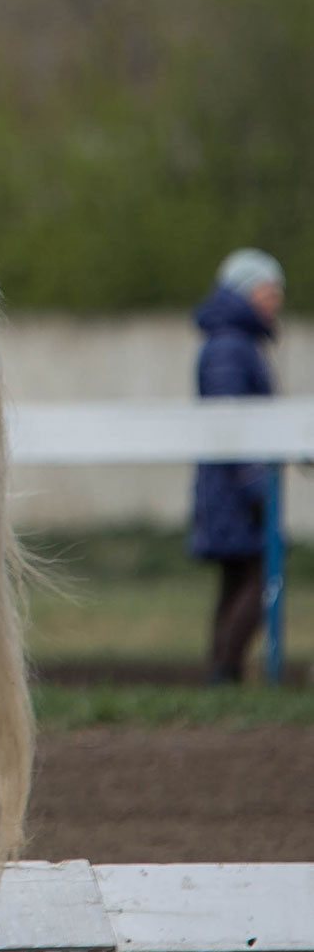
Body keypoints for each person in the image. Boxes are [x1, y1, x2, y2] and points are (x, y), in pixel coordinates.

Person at [191, 247, 286, 684]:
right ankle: (225, 670)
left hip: (229, 482)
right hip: (235, 485)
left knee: (238, 577)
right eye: (270, 289)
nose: (276, 299)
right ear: (247, 292)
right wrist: (254, 485)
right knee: (260, 572)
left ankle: (222, 671)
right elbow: (230, 421)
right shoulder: (232, 346)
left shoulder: (232, 341)